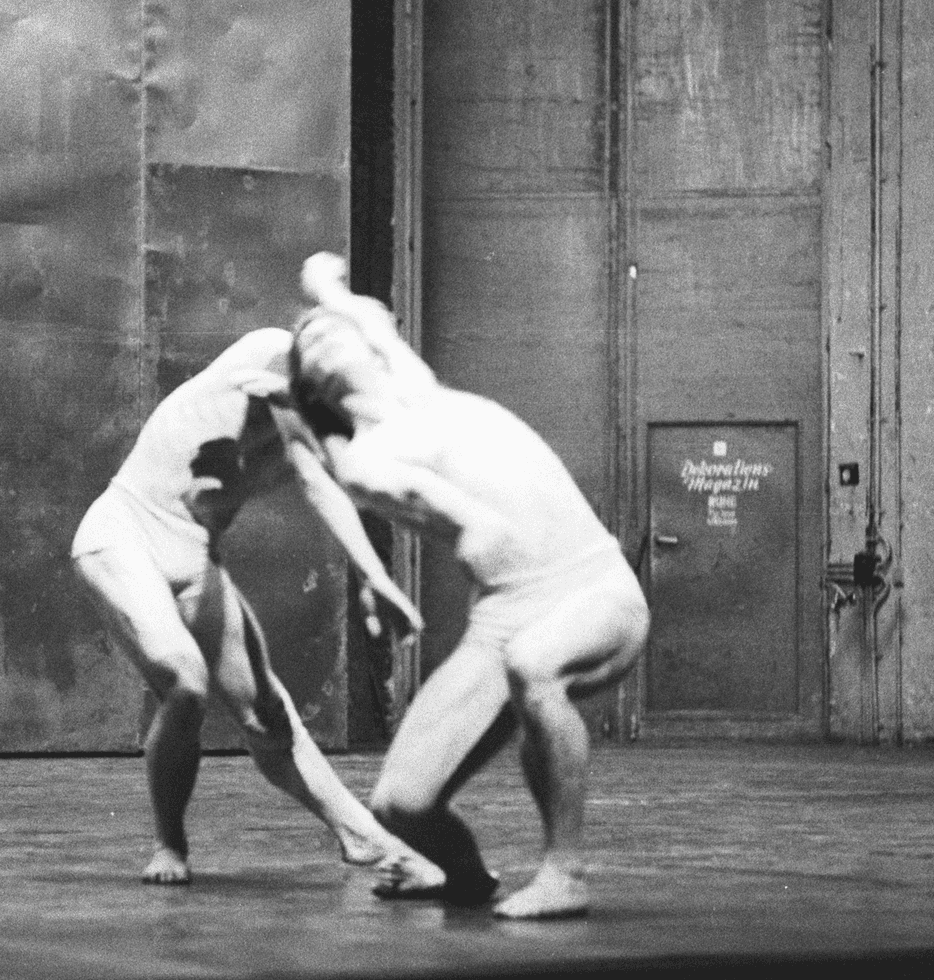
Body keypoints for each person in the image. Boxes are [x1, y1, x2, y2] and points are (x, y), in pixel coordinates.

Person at [283, 253, 652, 920]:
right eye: (308, 339)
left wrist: (324, 284)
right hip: (505, 614)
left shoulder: (413, 383)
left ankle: (564, 871)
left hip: (591, 586)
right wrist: (465, 521)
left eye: (332, 326)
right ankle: (461, 873)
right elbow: (434, 504)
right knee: (401, 801)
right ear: (313, 384)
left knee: (534, 665)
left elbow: (355, 311)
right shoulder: (366, 457)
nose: (324, 332)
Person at [71, 325, 444, 891]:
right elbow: (316, 475)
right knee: (185, 681)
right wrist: (375, 575)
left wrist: (379, 569)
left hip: (196, 556)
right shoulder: (268, 353)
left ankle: (360, 834)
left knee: (268, 713)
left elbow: (335, 480)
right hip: (124, 533)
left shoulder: (318, 420)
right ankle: (169, 842)